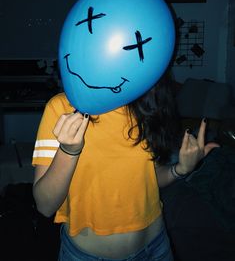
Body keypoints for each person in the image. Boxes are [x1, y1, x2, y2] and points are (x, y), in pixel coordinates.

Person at [32, 71, 218, 261]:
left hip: (156, 248)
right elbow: (45, 205)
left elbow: (147, 180)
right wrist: (69, 150)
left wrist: (180, 170)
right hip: (87, 256)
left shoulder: (147, 104)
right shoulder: (62, 107)